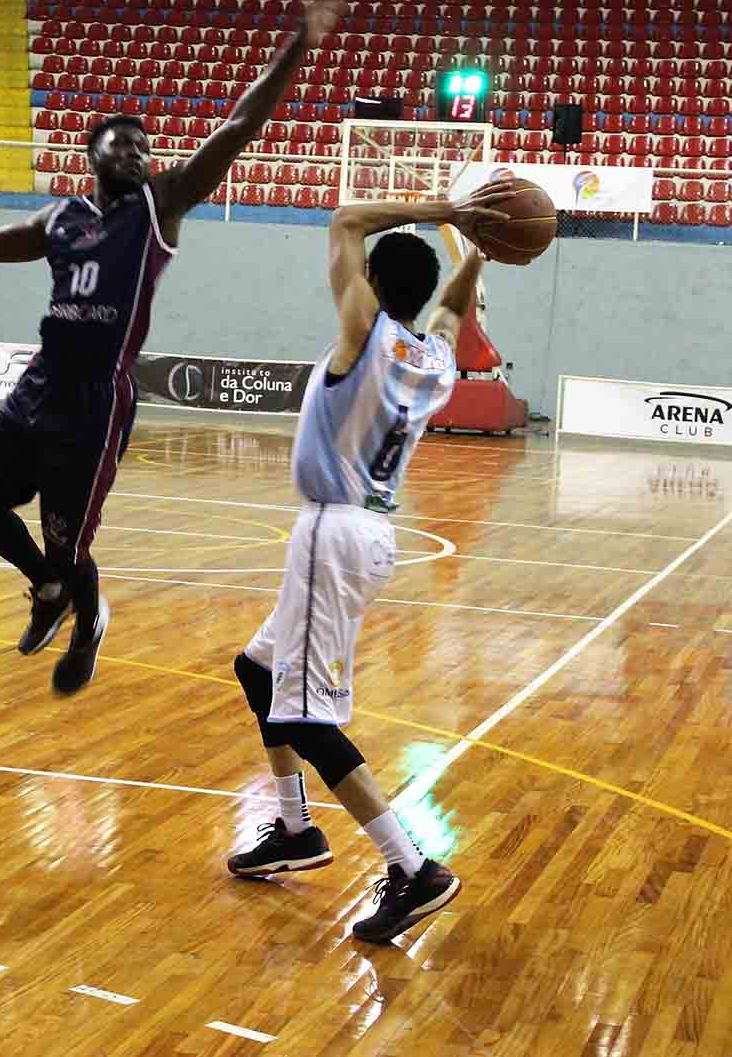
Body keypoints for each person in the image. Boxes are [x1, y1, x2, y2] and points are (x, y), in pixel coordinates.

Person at [0, 0, 346, 696]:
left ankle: (87, 618)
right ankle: (50, 590)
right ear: (92, 152)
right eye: (122, 143)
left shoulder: (161, 202)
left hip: (96, 402)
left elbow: (236, 128)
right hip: (39, 386)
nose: (137, 152)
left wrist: (298, 46)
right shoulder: (59, 218)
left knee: (69, 544)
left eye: (144, 146)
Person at [224, 188, 512, 944]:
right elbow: (451, 313)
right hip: (367, 533)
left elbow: (346, 220)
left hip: (333, 531)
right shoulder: (434, 358)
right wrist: (476, 254)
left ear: (373, 284)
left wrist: (448, 210)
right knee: (257, 671)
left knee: (305, 717)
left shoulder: (365, 333)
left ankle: (414, 869)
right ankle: (295, 829)